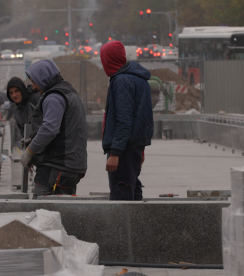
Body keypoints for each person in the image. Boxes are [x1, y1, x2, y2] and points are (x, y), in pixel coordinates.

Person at [20, 59, 88, 196]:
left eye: (34, 81)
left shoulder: (54, 97)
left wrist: (30, 151)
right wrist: (35, 141)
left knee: (44, 211)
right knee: (64, 210)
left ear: (43, 78)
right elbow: (63, 128)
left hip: (57, 165)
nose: (33, 87)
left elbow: (49, 129)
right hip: (71, 164)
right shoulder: (69, 91)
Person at [99, 41, 154, 201]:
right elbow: (141, 118)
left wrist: (115, 153)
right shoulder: (139, 78)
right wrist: (140, 149)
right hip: (133, 147)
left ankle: (125, 227)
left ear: (109, 59)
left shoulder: (122, 81)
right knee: (133, 188)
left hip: (123, 150)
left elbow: (124, 120)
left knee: (121, 193)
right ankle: (137, 225)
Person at [6, 76, 42, 146]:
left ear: (22, 89)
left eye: (16, 91)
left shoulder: (35, 99)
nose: (14, 95)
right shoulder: (17, 111)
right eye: (11, 93)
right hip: (34, 149)